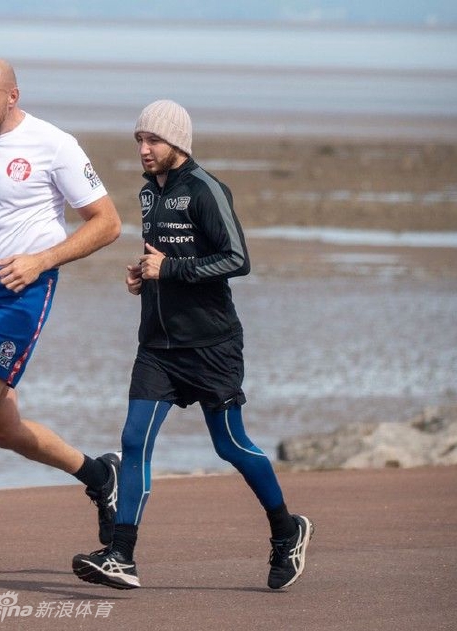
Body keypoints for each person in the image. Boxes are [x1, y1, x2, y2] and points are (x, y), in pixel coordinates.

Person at [72, 100, 313, 590]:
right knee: (134, 441)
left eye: (153, 140)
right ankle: (122, 555)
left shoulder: (206, 189)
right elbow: (163, 257)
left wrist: (172, 270)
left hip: (210, 347)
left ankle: (287, 531)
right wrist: (143, 276)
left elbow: (237, 259)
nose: (144, 149)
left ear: (177, 142)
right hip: (157, 347)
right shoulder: (148, 194)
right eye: (139, 140)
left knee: (230, 446)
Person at [0, 58, 123, 589]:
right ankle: (101, 474)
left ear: (13, 96)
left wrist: (42, 261)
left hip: (22, 291)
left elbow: (108, 223)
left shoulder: (54, 145)